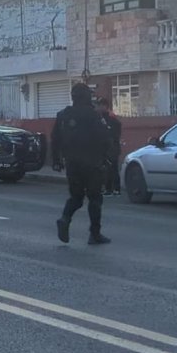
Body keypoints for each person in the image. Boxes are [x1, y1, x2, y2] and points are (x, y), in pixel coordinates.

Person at [51, 83, 113, 245]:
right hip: (92, 163)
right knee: (95, 198)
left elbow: (55, 139)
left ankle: (65, 218)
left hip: (72, 163)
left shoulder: (63, 115)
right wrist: (106, 158)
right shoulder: (93, 115)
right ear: (86, 97)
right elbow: (105, 138)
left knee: (76, 197)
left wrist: (56, 161)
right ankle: (95, 234)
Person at [95, 98, 122, 196]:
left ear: (105, 106)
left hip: (112, 147)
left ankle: (116, 189)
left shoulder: (111, 118)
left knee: (113, 168)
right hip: (104, 147)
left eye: (99, 105)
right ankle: (107, 188)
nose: (98, 107)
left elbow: (115, 132)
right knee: (105, 168)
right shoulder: (100, 117)